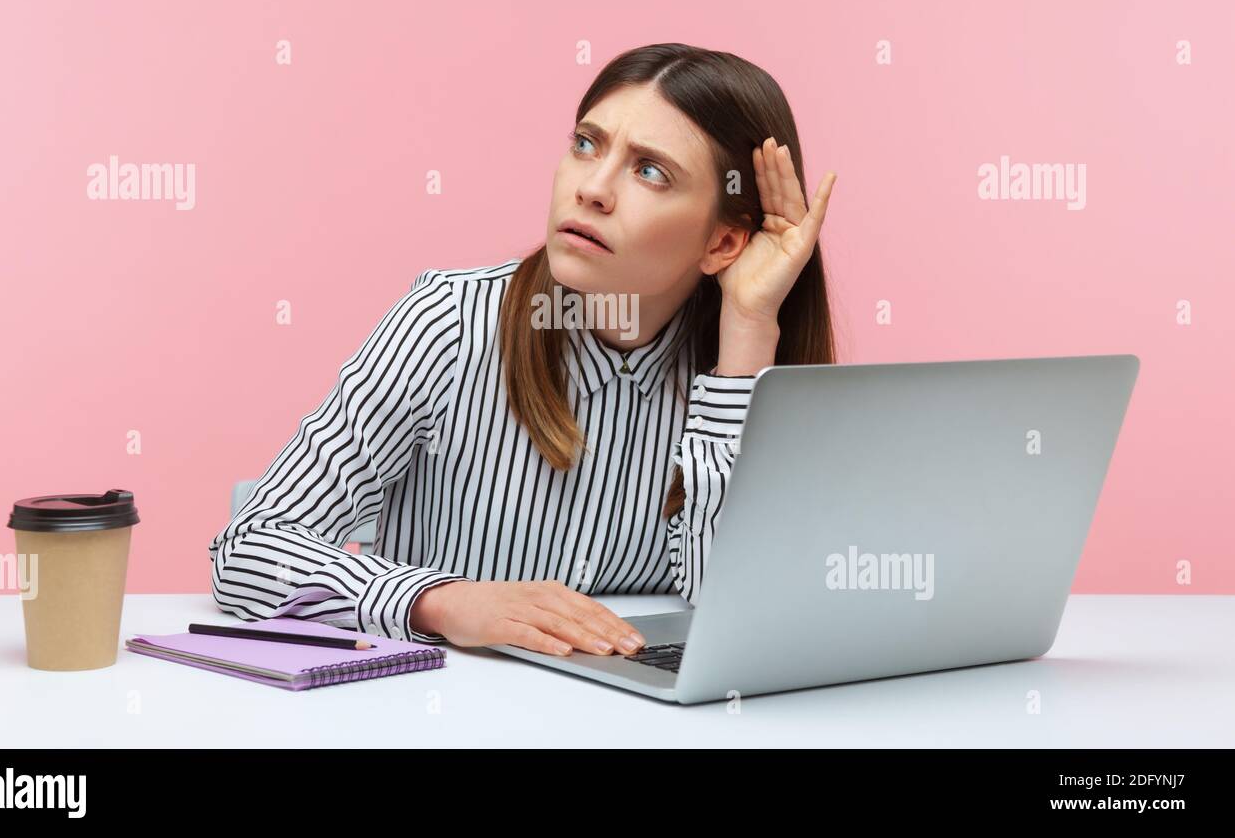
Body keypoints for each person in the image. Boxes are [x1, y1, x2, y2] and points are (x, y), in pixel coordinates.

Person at [208, 42, 837, 658]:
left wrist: (750, 331)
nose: (592, 188)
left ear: (723, 245)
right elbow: (251, 547)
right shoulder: (449, 324)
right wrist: (444, 601)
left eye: (650, 171)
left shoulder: (741, 372)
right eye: (586, 145)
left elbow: (738, 606)